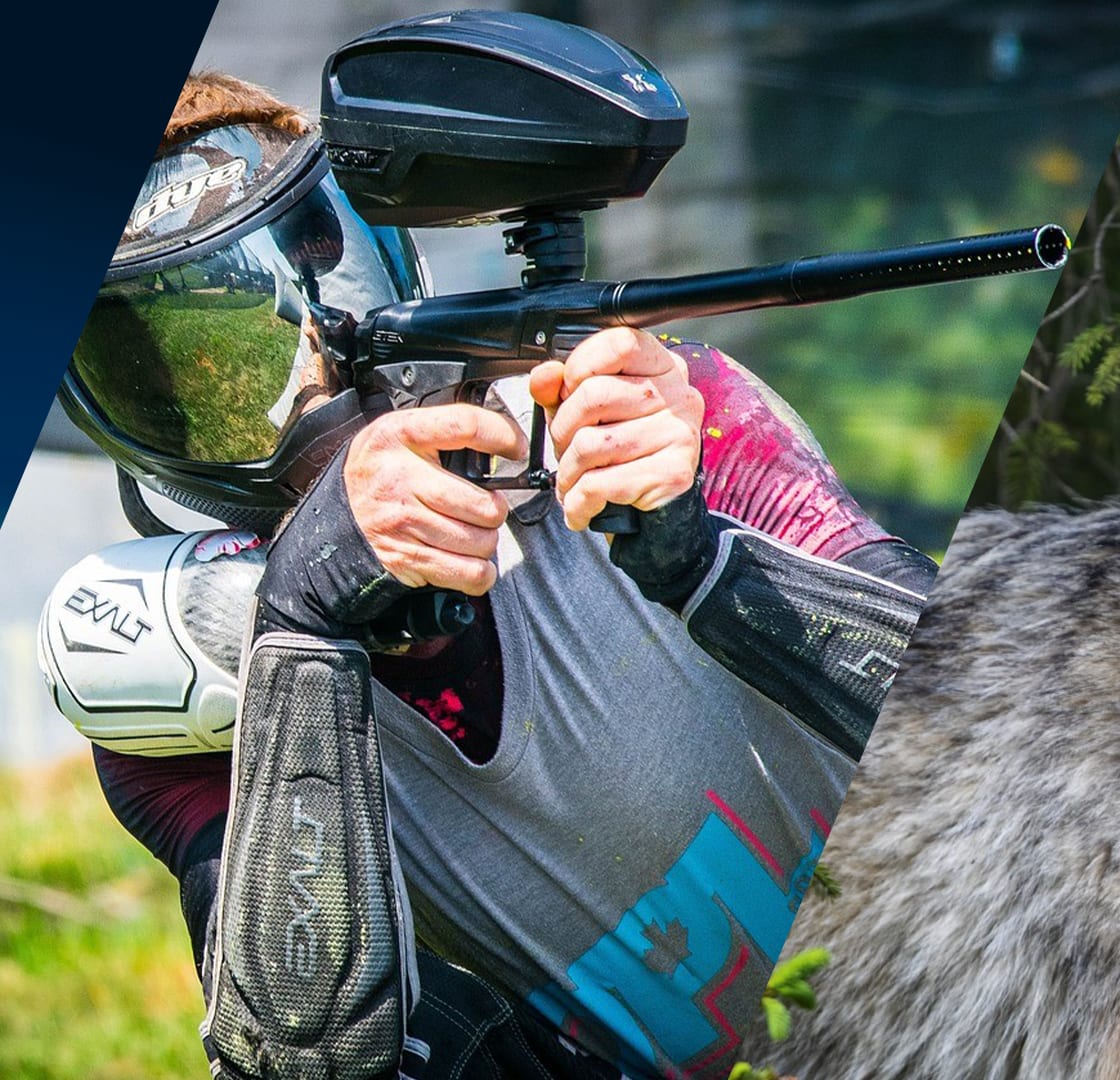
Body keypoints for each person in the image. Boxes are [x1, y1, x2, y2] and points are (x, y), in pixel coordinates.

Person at [48, 71, 934, 1080]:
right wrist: (298, 630)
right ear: (117, 419)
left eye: (315, 305)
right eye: (179, 377)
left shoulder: (646, 429)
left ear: (361, 262)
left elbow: (993, 717)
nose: (308, 397)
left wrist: (703, 562)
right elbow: (302, 1056)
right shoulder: (182, 706)